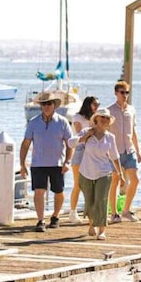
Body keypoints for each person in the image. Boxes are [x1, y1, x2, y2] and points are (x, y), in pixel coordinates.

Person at [20, 91, 74, 232]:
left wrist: (67, 161)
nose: (46, 106)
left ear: (54, 105)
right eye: (44, 104)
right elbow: (25, 144)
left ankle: (55, 216)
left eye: (49, 103)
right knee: (39, 192)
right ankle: (40, 220)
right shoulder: (33, 123)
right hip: (38, 163)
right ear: (40, 106)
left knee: (59, 191)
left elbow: (70, 144)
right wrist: (22, 164)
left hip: (57, 163)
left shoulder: (62, 122)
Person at [74, 108, 123, 240]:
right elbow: (70, 143)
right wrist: (85, 137)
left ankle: (102, 230)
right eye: (102, 117)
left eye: (107, 118)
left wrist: (120, 174)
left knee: (101, 200)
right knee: (90, 201)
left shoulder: (110, 137)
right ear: (96, 119)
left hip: (104, 172)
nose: (105, 120)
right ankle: (91, 225)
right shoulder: (86, 132)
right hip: (86, 172)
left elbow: (115, 156)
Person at [108, 81, 141, 223]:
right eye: (122, 92)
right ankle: (114, 213)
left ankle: (126, 210)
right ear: (116, 93)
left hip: (130, 150)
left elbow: (133, 132)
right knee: (115, 182)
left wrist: (138, 151)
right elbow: (105, 132)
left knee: (135, 180)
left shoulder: (131, 110)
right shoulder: (109, 111)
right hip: (115, 152)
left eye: (127, 92)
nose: (125, 95)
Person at [68, 96, 100, 223]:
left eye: (98, 104)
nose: (97, 107)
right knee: (78, 184)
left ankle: (93, 212)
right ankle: (72, 212)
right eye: (94, 104)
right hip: (81, 151)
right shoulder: (77, 117)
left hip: (93, 153)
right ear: (88, 104)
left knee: (94, 184)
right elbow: (80, 134)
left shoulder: (96, 118)